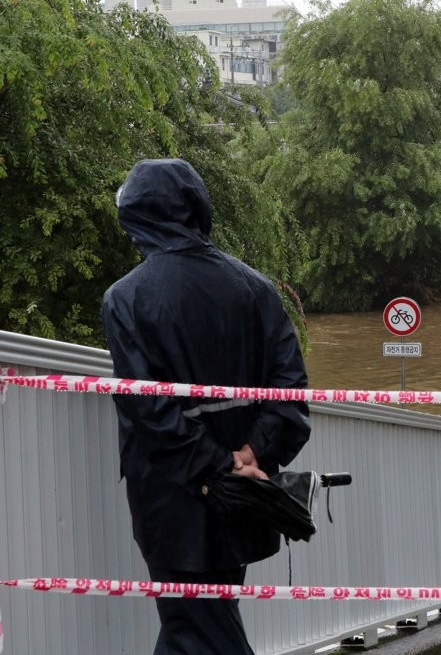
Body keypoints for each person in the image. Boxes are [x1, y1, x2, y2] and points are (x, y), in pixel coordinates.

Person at [102, 158, 311, 655]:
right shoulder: (256, 289)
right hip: (243, 494)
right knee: (193, 621)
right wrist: (250, 456)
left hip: (171, 499)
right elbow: (290, 391)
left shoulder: (126, 298)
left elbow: (146, 410)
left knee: (197, 626)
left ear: (139, 217)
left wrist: (219, 465)